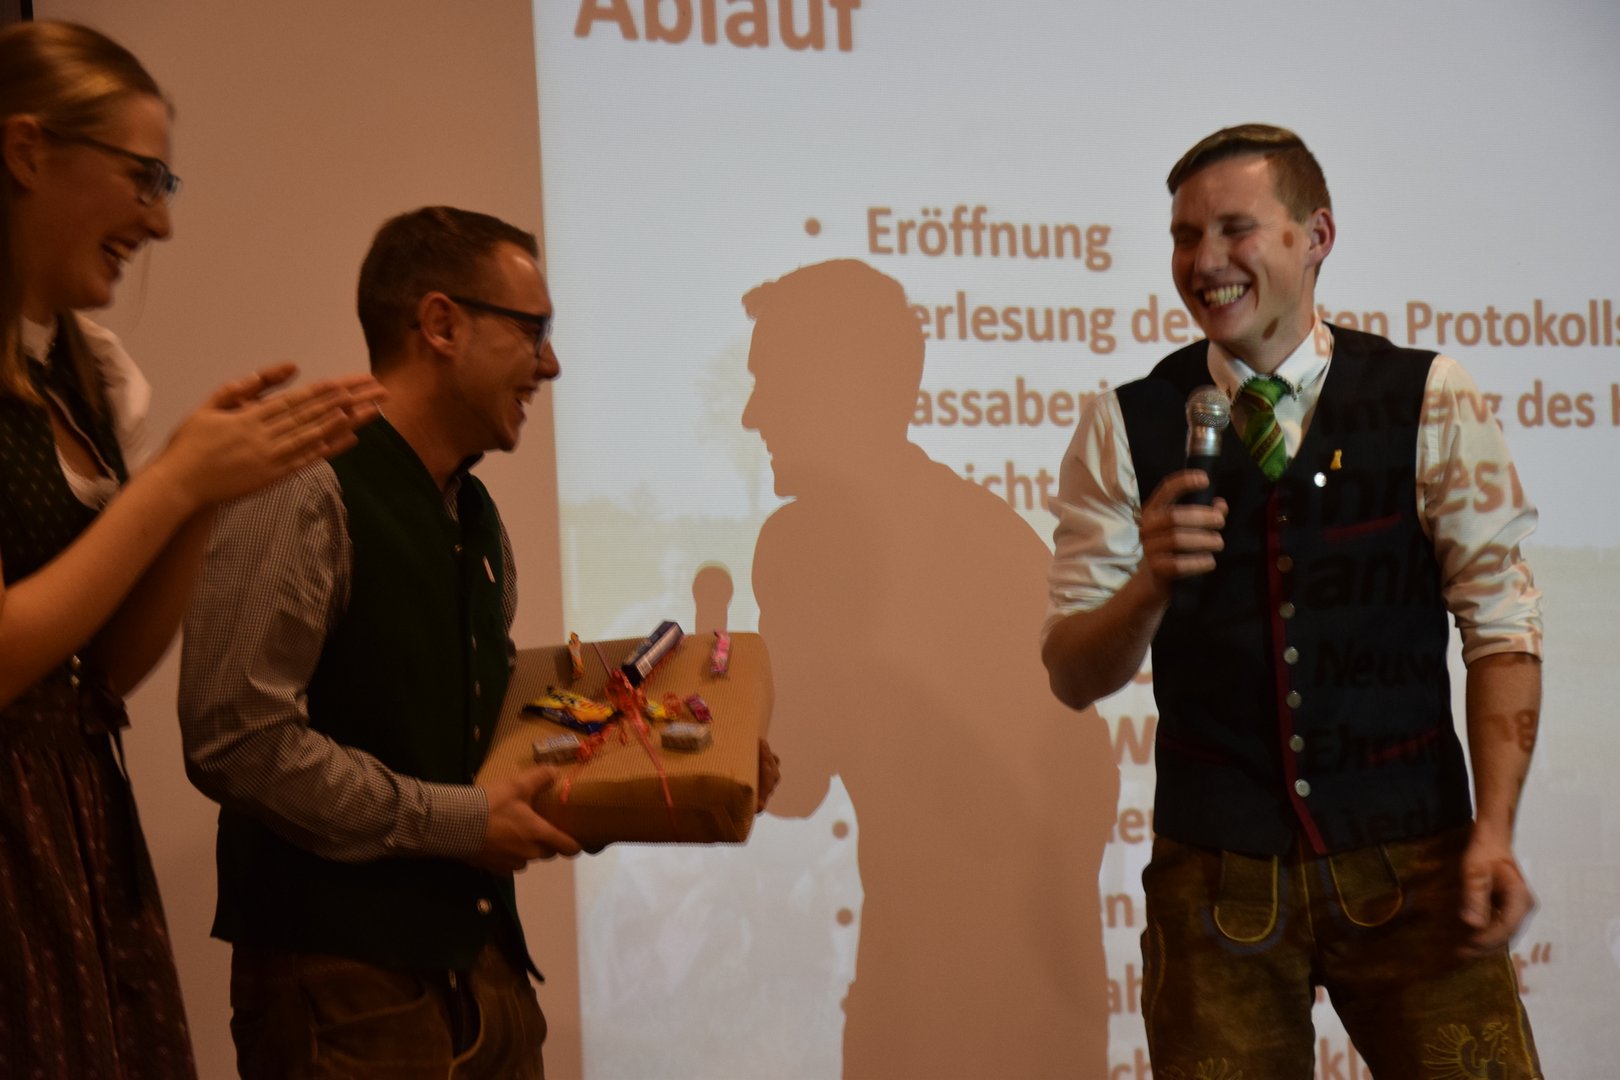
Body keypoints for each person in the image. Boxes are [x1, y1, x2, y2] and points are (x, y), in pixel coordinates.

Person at [1041, 124, 1544, 1078]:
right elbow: (1071, 673)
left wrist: (1494, 831)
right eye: (1185, 236)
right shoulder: (1125, 423)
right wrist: (1148, 586)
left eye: (1236, 229)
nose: (1205, 262)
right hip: (1213, 878)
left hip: (1416, 856)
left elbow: (1502, 626)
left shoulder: (1429, 396)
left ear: (1317, 236)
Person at [0, 20, 381, 1080]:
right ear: (27, 151)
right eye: (143, 178)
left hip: (68, 821)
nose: (160, 221)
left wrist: (206, 498)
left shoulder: (86, 372)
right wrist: (171, 483)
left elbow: (102, 672)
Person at [178, 206, 584, 1079]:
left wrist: (676, 772)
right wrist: (461, 822)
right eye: (533, 331)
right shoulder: (302, 482)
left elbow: (480, 744)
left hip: (487, 978)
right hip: (346, 991)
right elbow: (235, 738)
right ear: (441, 324)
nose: (550, 364)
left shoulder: (476, 515)